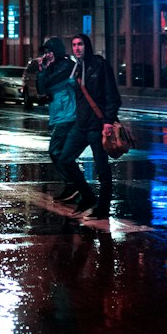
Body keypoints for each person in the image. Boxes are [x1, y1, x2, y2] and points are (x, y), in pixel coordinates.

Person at [53, 32, 121, 218]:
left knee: (101, 169)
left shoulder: (100, 65)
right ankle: (88, 197)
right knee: (64, 160)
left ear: (87, 46)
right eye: (74, 45)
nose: (77, 48)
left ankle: (103, 208)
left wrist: (108, 121)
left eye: (80, 44)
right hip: (81, 126)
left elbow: (112, 97)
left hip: (97, 126)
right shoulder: (75, 68)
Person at [36, 36, 79, 201]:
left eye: (49, 51)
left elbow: (49, 85)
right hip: (60, 115)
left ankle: (73, 183)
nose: (47, 55)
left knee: (55, 151)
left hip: (68, 116)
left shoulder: (67, 66)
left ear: (57, 51)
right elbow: (41, 89)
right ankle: (74, 185)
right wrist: (42, 70)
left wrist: (45, 72)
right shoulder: (53, 67)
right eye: (46, 52)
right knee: (63, 154)